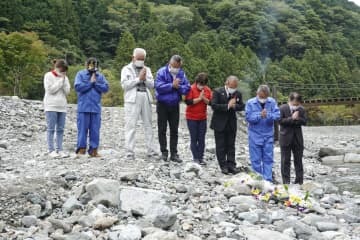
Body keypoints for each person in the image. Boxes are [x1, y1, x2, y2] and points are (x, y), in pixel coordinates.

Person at [121, 48, 159, 160]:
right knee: (130, 125)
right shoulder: (126, 69)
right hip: (132, 98)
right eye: (139, 59)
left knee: (148, 125)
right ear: (133, 58)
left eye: (143, 59)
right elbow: (125, 85)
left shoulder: (147, 69)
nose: (141, 61)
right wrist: (139, 79)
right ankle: (129, 152)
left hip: (145, 97)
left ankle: (151, 151)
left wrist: (145, 79)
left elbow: (152, 84)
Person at [155, 55, 190, 162]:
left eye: (178, 67)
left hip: (175, 105)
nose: (176, 68)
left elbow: (187, 88)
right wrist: (171, 85)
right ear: (170, 63)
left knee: (174, 130)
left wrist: (178, 87)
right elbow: (158, 87)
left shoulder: (181, 74)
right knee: (162, 129)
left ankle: (174, 153)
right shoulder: (161, 72)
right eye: (174, 66)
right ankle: (164, 153)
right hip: (162, 104)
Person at [74, 57, 109, 157]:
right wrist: (90, 83)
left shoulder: (100, 76)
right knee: (82, 130)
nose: (92, 66)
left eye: (94, 64)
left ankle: (93, 150)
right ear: (86, 64)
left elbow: (106, 88)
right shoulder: (80, 74)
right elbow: (78, 87)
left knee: (95, 130)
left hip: (95, 107)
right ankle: (81, 149)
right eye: (90, 64)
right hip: (83, 107)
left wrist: (95, 83)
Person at [210, 76, 244, 174]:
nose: (233, 89)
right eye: (232, 86)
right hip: (219, 123)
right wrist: (228, 106)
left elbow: (241, 106)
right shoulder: (217, 91)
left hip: (231, 123)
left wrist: (235, 106)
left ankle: (231, 165)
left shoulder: (238, 94)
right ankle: (223, 165)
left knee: (231, 145)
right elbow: (214, 105)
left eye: (235, 87)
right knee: (220, 145)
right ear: (227, 83)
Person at [245, 85, 280, 182]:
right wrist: (260, 115)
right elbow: (248, 118)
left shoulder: (272, 102)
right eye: (261, 97)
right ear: (257, 94)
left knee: (268, 159)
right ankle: (258, 180)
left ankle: (268, 180)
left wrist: (267, 115)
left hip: (268, 135)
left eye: (265, 97)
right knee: (255, 160)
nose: (263, 99)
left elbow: (277, 115)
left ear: (268, 95)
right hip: (254, 135)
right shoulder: (250, 103)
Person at [43, 59, 71, 158]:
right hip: (51, 106)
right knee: (51, 129)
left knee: (60, 129)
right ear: (57, 67)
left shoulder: (65, 78)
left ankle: (60, 149)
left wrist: (63, 80)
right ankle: (51, 150)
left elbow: (67, 92)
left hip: (62, 106)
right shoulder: (48, 75)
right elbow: (50, 90)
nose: (63, 71)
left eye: (64, 70)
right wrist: (60, 81)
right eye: (61, 69)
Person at [185, 72, 212, 165]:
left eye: (203, 84)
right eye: (200, 84)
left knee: (201, 138)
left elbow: (211, 102)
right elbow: (188, 102)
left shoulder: (207, 90)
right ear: (197, 82)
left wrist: (203, 98)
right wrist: (199, 99)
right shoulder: (191, 88)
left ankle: (201, 157)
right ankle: (195, 157)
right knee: (194, 138)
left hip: (202, 118)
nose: (201, 86)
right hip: (191, 117)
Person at [279, 92, 307, 185]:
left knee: (298, 160)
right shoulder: (283, 108)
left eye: (297, 104)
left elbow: (305, 121)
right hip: (285, 137)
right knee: (285, 160)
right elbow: (280, 121)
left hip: (298, 138)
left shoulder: (301, 109)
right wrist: (292, 118)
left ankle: (299, 181)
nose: (296, 106)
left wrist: (298, 118)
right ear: (289, 101)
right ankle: (286, 181)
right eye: (294, 104)